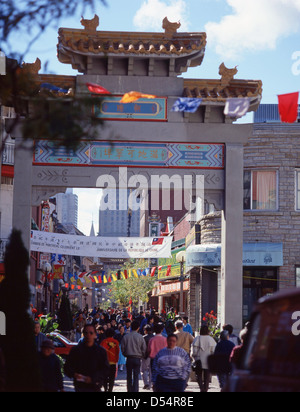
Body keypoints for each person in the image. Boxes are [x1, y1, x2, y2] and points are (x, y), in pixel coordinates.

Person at [64, 324, 110, 392]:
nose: (88, 335)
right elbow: (67, 367)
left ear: (95, 335)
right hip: (80, 386)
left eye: (91, 333)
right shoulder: (76, 350)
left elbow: (105, 369)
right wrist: (74, 374)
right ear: (83, 334)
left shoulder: (100, 351)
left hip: (95, 386)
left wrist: (93, 378)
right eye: (86, 333)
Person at [121, 320, 147, 392]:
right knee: (136, 376)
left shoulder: (126, 337)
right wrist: (141, 355)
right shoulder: (140, 337)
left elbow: (122, 348)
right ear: (138, 328)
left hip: (129, 358)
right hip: (137, 358)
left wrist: (125, 354)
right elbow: (144, 348)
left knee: (129, 376)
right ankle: (135, 390)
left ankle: (129, 390)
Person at [191, 325, 217, 392]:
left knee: (198, 375)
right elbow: (213, 351)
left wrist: (194, 357)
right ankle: (205, 389)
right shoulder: (211, 339)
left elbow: (194, 351)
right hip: (208, 361)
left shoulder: (197, 339)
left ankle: (201, 388)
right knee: (207, 376)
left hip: (199, 360)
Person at [141, 324, 153, 390]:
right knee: (151, 370)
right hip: (153, 355)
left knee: (144, 370)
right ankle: (150, 384)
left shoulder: (144, 337)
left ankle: (146, 383)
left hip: (145, 356)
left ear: (145, 330)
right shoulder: (154, 337)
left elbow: (142, 347)